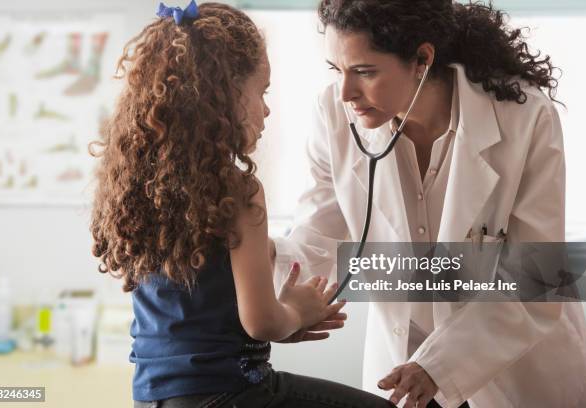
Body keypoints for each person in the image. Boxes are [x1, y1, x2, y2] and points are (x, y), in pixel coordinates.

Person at [270, 0, 586, 407]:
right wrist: (265, 264)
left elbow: (537, 277)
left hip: (513, 367)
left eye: (364, 71)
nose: (346, 92)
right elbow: (317, 235)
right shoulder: (334, 113)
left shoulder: (524, 118)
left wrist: (438, 365)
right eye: (338, 70)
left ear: (422, 58)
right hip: (402, 369)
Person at [90, 2, 396, 407]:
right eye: (261, 91)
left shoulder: (138, 186)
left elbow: (204, 305)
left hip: (155, 397)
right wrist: (296, 311)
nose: (266, 109)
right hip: (233, 394)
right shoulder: (237, 191)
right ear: (223, 94)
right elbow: (262, 322)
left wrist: (280, 298)